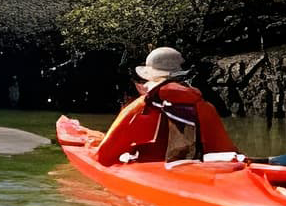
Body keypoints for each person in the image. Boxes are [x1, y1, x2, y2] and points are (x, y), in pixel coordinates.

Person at [96, 47, 236, 165]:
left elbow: (103, 156)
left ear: (150, 78)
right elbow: (227, 151)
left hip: (152, 171)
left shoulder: (141, 106)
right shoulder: (205, 107)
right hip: (199, 170)